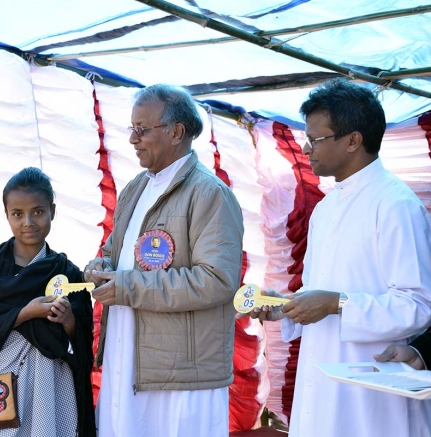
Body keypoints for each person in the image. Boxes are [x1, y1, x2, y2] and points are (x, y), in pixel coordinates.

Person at [249, 79, 431, 437]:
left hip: (372, 378)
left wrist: (336, 304)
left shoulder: (395, 205)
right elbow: (322, 293)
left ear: (352, 141)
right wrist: (287, 307)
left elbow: (418, 305)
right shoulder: (327, 206)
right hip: (321, 372)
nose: (305, 148)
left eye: (316, 139)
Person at [85, 84, 244, 436]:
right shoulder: (135, 189)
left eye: (142, 130)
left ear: (176, 132)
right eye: (132, 129)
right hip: (128, 359)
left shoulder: (210, 193)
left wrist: (127, 286)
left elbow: (216, 280)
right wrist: (99, 268)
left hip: (181, 374)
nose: (133, 140)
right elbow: (114, 254)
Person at [0, 167, 95, 437]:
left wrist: (68, 322)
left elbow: (82, 344)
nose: (28, 222)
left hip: (51, 383)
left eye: (38, 212)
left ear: (52, 211)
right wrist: (24, 313)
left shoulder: (67, 273)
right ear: (7, 214)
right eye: (18, 214)